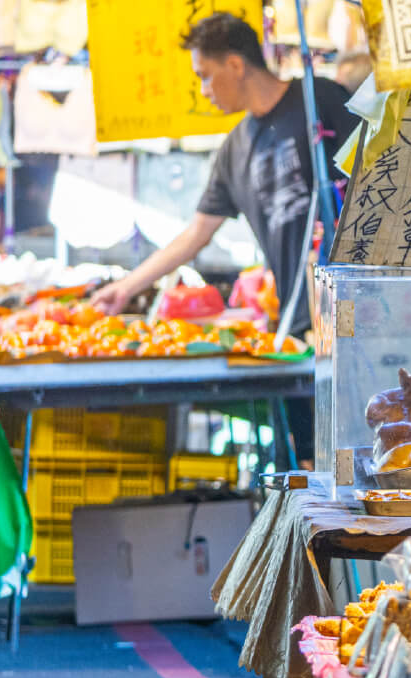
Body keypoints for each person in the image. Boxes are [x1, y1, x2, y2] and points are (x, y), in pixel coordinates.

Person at [89, 13, 355, 463]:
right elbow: (196, 234)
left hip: (355, 319)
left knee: (360, 453)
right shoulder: (235, 149)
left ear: (235, 64)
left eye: (205, 77)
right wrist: (126, 288)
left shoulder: (320, 100)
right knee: (313, 460)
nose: (204, 91)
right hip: (298, 329)